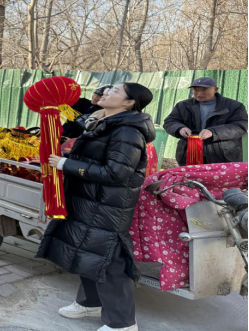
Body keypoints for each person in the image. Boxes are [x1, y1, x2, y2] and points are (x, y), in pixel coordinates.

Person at [38, 82, 156, 331]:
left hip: (108, 205)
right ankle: (90, 303)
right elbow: (94, 158)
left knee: (111, 262)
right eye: (108, 89)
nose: (106, 93)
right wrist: (65, 158)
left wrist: (66, 165)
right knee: (87, 252)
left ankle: (122, 323)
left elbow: (116, 172)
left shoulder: (128, 132)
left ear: (129, 103)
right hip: (89, 199)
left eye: (115, 91)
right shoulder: (102, 122)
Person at [163, 77, 248, 165]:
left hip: (222, 155)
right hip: (190, 154)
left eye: (204, 89)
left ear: (215, 90)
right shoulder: (183, 105)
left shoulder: (234, 106)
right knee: (191, 174)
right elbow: (170, 121)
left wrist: (213, 132)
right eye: (196, 89)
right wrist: (180, 128)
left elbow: (240, 126)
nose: (199, 93)